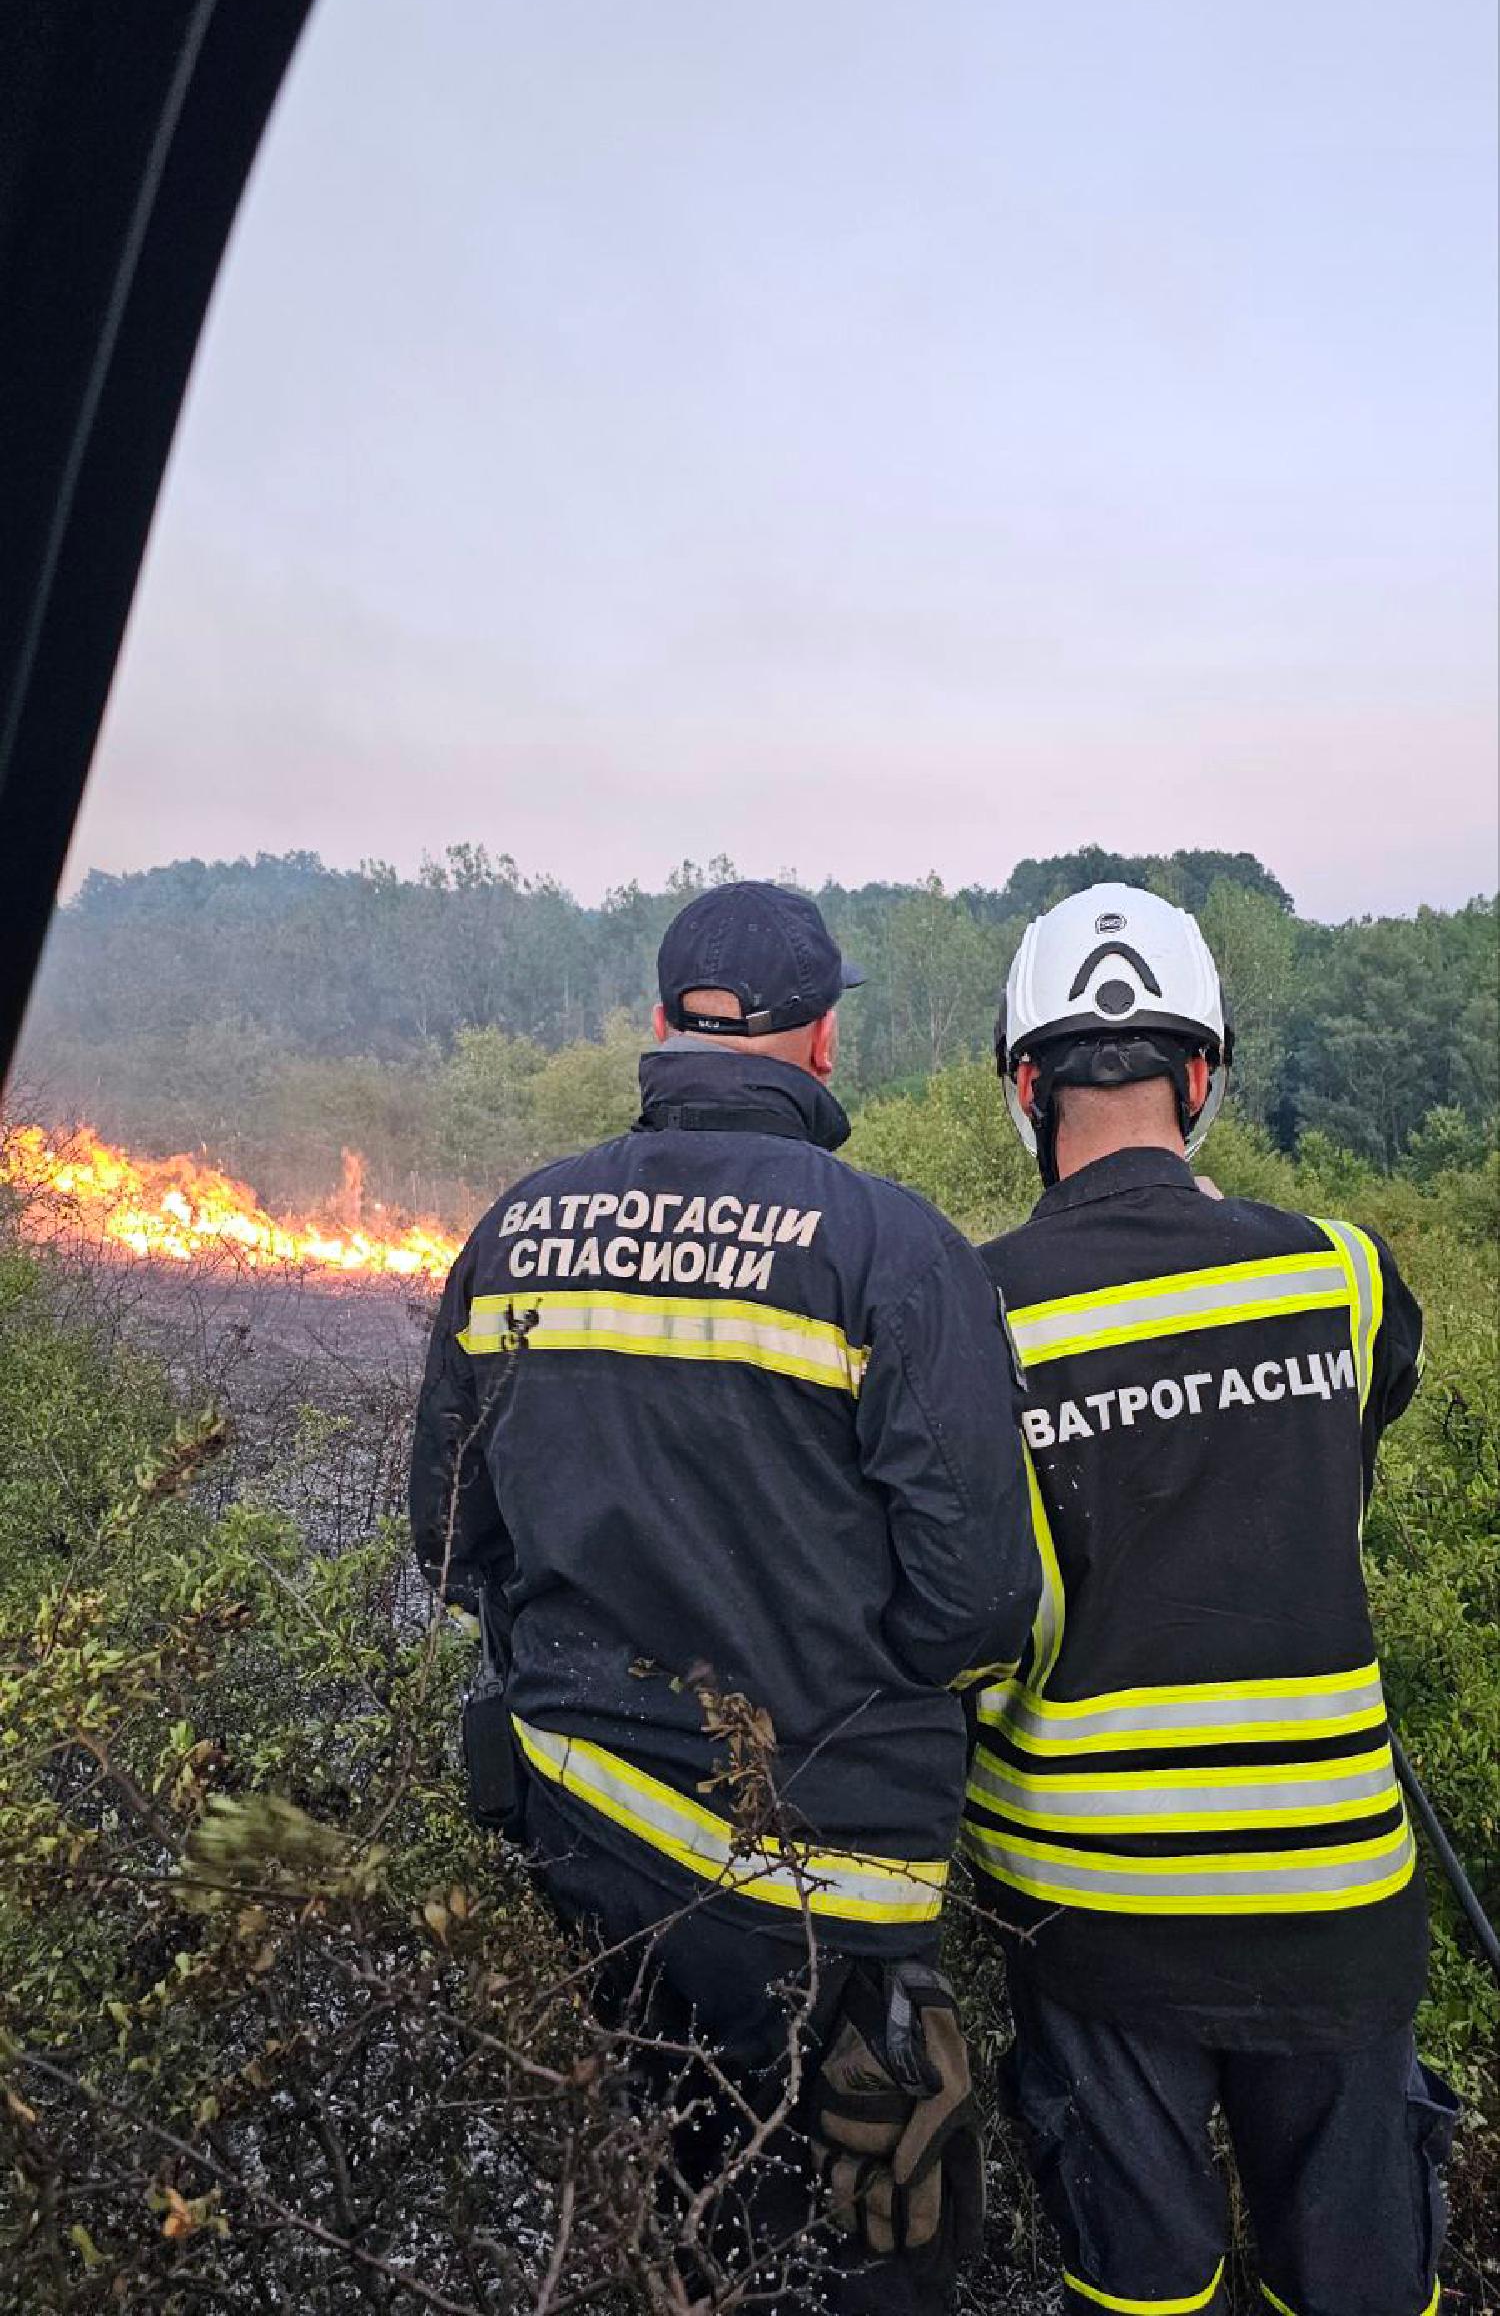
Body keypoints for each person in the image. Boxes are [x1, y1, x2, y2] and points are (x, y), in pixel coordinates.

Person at [410, 879, 1039, 2311]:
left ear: (658, 1026)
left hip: (586, 1850)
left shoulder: (520, 1229)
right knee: (882, 2246)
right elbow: (978, 1604)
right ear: (821, 1043)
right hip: (832, 1884)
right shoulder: (894, 1248)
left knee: (668, 2229)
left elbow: (448, 1543)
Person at [965, 881, 1457, 2316]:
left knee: (1145, 2295)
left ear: (1025, 1085)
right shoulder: (1346, 1276)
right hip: (1338, 1895)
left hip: (1093, 1907)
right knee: (1364, 2285)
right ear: (1199, 1077)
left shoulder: (975, 1312)